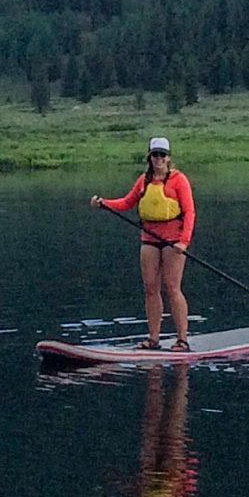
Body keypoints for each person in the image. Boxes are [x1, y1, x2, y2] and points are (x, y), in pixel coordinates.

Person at [92, 136, 195, 350]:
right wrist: (104, 203)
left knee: (172, 287)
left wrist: (184, 242)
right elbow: (127, 202)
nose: (158, 159)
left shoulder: (179, 180)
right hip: (149, 239)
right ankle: (153, 338)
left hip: (173, 241)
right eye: (154, 155)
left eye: (162, 155)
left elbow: (189, 212)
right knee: (150, 288)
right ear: (149, 157)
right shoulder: (144, 180)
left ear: (168, 158)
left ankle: (182, 340)